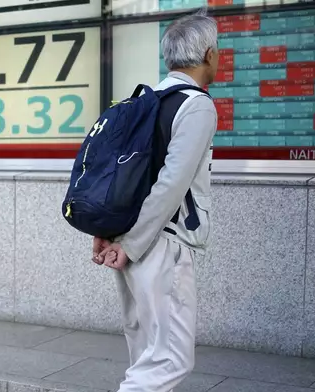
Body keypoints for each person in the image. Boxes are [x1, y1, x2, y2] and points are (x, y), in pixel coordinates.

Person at [94, 10, 219, 392]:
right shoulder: (195, 105)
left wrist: (111, 235)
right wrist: (130, 245)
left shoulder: (144, 102)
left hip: (130, 240)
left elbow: (116, 176)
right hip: (160, 243)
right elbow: (170, 184)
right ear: (210, 54)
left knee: (147, 352)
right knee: (170, 358)